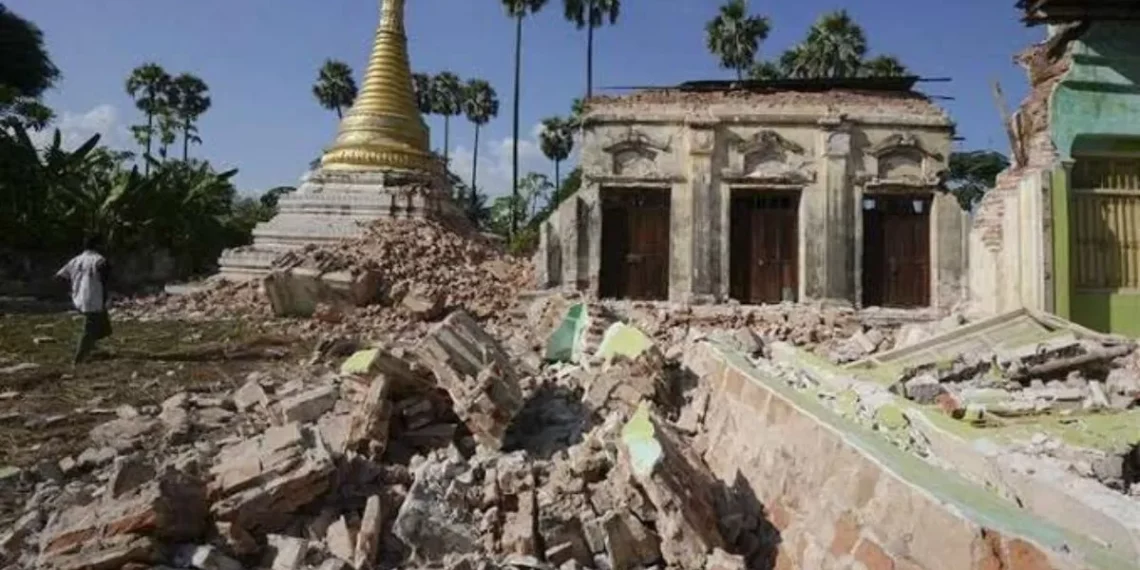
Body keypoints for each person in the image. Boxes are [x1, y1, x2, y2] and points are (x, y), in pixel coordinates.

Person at [55, 236, 112, 364]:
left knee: (104, 328)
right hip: (93, 298)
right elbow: (105, 279)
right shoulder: (99, 260)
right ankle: (79, 358)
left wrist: (70, 291)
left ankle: (91, 347)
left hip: (79, 298)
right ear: (97, 246)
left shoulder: (75, 260)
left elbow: (60, 277)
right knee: (90, 329)